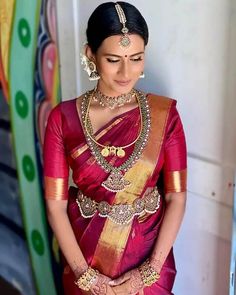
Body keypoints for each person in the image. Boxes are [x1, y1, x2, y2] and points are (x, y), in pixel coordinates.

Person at [43, 1, 187, 294]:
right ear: (90, 55)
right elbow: (55, 206)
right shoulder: (63, 118)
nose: (126, 72)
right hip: (86, 260)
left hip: (149, 265)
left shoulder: (164, 115)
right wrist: (86, 277)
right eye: (113, 59)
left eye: (136, 58)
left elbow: (177, 199)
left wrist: (147, 274)